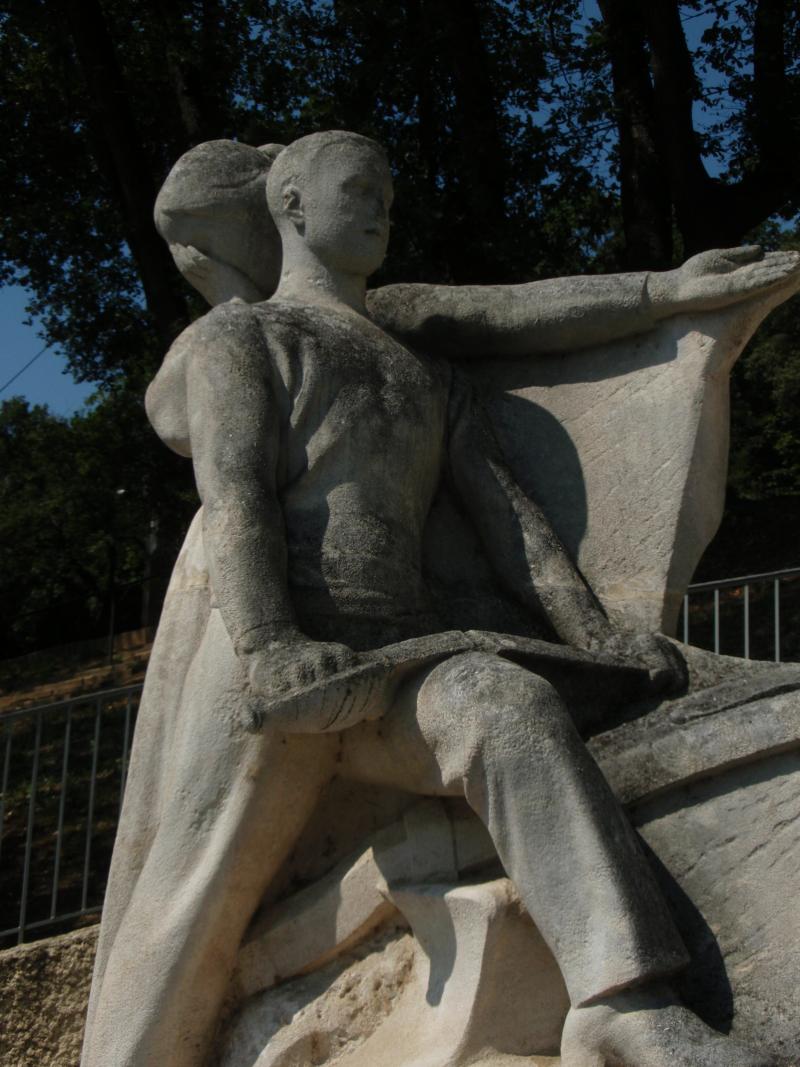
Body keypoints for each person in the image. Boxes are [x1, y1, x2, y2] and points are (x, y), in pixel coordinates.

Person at [81, 130, 799, 1067]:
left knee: (507, 704)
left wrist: (596, 631)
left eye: (388, 189)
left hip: (401, 658)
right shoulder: (241, 338)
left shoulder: (422, 368)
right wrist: (269, 642)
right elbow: (237, 494)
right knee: (190, 898)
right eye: (360, 188)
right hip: (275, 662)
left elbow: (517, 531)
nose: (383, 207)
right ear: (291, 205)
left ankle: (623, 1001)